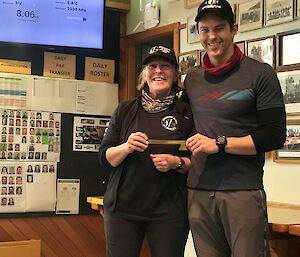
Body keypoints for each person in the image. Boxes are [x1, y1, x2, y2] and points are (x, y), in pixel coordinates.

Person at [184, 1, 287, 257]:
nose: (211, 36)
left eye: (219, 28)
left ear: (234, 29)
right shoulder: (192, 79)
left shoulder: (260, 74)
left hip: (242, 190)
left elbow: (274, 135)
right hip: (198, 191)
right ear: (198, 33)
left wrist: (219, 143)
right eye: (204, 30)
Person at [98, 45, 194, 257]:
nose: (158, 71)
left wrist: (175, 163)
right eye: (152, 66)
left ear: (176, 74)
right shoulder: (125, 110)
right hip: (123, 210)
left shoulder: (187, 113)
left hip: (169, 212)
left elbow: (197, 161)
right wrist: (126, 147)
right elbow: (105, 158)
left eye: (166, 66)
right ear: (144, 74)